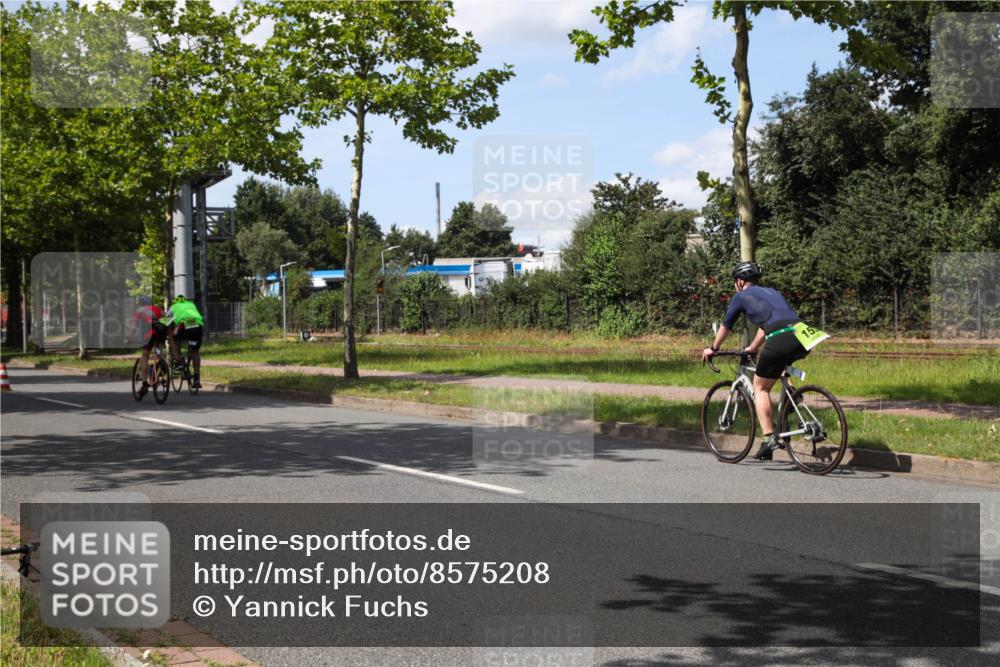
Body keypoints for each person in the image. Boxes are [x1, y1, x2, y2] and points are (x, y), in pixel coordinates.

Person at [701, 262, 829, 460]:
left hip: (780, 337)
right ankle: (791, 397)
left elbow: (726, 326)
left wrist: (713, 348)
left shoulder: (741, 296)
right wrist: (753, 347)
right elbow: (766, 324)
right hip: (802, 334)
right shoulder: (772, 292)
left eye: (736, 282)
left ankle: (769, 437)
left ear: (740, 281)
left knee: (760, 387)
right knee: (779, 367)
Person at [163, 295, 205, 389]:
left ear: (176, 301)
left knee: (173, 338)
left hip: (184, 325)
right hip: (197, 326)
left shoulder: (174, 307)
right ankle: (197, 378)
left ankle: (178, 361)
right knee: (195, 352)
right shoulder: (191, 305)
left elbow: (166, 321)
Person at [132, 296, 168, 395]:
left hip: (150, 334)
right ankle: (162, 367)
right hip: (162, 333)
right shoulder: (159, 309)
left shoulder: (139, 310)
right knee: (160, 352)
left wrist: (129, 338)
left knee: (145, 355)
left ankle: (144, 384)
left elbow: (134, 327)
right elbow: (166, 321)